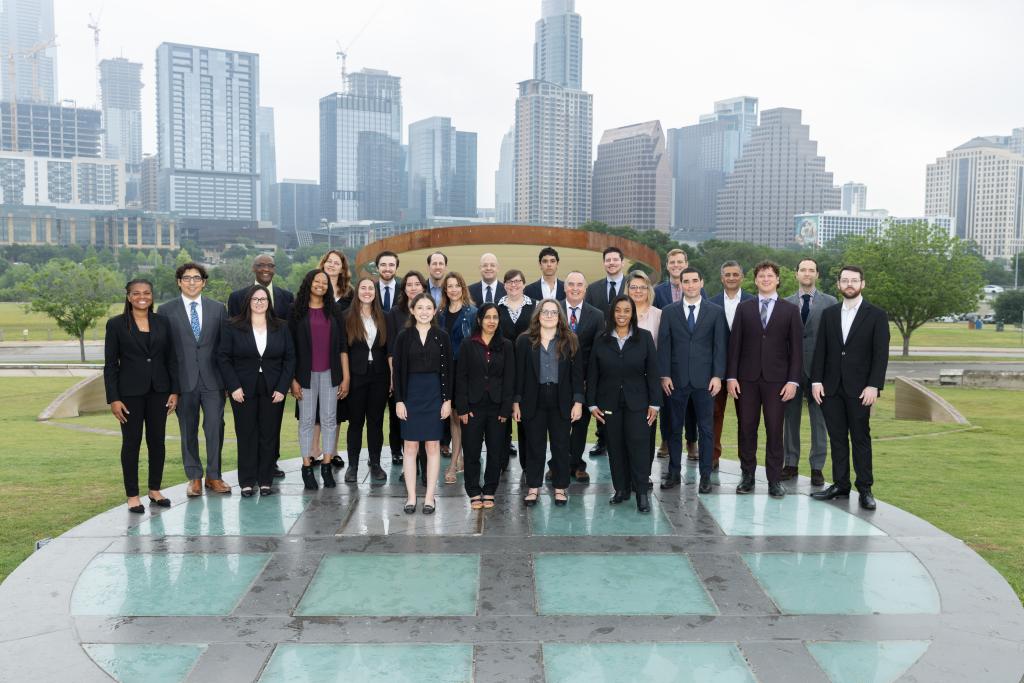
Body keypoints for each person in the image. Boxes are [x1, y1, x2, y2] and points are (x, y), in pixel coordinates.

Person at [811, 266, 890, 510]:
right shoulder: (830, 314)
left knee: (860, 438)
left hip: (860, 390)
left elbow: (880, 354)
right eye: (845, 280)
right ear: (838, 284)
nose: (849, 284)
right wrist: (816, 381)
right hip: (831, 388)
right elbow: (821, 350)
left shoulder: (876, 315)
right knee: (836, 438)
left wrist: (874, 385)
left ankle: (865, 488)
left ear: (862, 284)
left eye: (854, 280)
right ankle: (840, 485)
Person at [726, 260, 802, 498]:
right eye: (761, 276)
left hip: (777, 382)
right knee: (746, 428)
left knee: (774, 430)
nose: (766, 279)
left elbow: (797, 351)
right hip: (746, 380)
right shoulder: (744, 308)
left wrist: (793, 381)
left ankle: (774, 480)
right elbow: (734, 345)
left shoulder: (790, 310)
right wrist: (731, 376)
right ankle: (747, 475)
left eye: (770, 276)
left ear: (777, 279)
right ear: (756, 280)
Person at [104, 278, 179, 513]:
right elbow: (110, 365)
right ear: (128, 297)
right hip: (129, 395)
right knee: (131, 443)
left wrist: (174, 391)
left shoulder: (163, 322)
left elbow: (171, 360)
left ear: (152, 296)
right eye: (136, 293)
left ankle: (154, 490)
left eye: (146, 292)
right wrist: (114, 398)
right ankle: (132, 495)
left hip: (159, 392)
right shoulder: (116, 325)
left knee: (157, 442)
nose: (142, 297)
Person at [158, 263, 230, 497]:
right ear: (178, 282)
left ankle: (214, 476)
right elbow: (164, 351)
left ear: (204, 282)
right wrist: (170, 387)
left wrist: (228, 382)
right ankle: (194, 478)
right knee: (188, 429)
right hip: (183, 382)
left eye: (196, 278)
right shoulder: (166, 310)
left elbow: (224, 347)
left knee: (214, 427)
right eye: (186, 278)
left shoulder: (218, 308)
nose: (191, 282)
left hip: (213, 381)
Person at [217, 284, 295, 497]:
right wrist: (233, 386)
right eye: (255, 299)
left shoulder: (281, 326)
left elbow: (290, 358)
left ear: (269, 303)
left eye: (263, 299)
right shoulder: (233, 326)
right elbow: (223, 358)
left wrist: (282, 387)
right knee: (246, 435)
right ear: (248, 302)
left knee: (269, 435)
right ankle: (247, 482)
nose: (260, 303)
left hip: (273, 389)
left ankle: (266, 480)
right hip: (242, 389)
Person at [588, 295, 661, 512]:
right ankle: (620, 489)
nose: (621, 314)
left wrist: (655, 404)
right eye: (618, 310)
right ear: (612, 313)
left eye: (626, 311)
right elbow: (593, 374)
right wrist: (592, 404)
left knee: (638, 447)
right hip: (608, 403)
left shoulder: (645, 338)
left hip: (638, 403)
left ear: (632, 314)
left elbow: (653, 373)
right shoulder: (601, 339)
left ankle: (641, 493)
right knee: (615, 447)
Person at [658, 268, 727, 494]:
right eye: (685, 281)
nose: (690, 285)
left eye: (694, 281)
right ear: (680, 285)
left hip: (705, 381)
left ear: (702, 282)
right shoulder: (668, 312)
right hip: (676, 381)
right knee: (674, 429)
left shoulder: (715, 312)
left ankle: (705, 476)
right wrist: (665, 374)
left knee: (706, 430)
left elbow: (720, 347)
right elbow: (665, 346)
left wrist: (717, 376)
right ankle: (674, 473)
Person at [513, 299, 583, 507]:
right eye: (545, 312)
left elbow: (578, 376)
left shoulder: (570, 340)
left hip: (561, 399)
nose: (549, 316)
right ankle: (533, 488)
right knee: (535, 445)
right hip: (533, 399)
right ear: (538, 315)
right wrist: (516, 402)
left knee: (561, 446)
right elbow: (519, 375)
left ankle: (560, 488)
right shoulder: (524, 341)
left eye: (554, 312)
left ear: (560, 316)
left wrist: (578, 401)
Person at [393, 293, 453, 515]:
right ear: (412, 310)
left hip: (435, 394)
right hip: (410, 395)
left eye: (429, 307)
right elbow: (397, 371)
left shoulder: (442, 336)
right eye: (420, 307)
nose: (424, 311)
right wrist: (399, 400)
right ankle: (410, 497)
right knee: (410, 446)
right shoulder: (403, 336)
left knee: (433, 446)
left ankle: (429, 497)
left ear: (434, 310)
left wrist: (447, 400)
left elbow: (448, 371)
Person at [289, 269, 348, 491]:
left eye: (324, 282)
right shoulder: (296, 311)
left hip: (330, 374)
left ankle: (326, 465)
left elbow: (343, 346)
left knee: (329, 419)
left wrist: (346, 376)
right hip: (304, 375)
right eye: (317, 281)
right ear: (309, 283)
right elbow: (290, 348)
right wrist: (292, 379)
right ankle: (306, 467)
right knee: (306, 421)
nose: (321, 285)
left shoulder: (334, 312)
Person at [782, 258, 837, 486]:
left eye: (811, 270)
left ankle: (817, 467)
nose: (807, 274)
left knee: (819, 421)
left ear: (817, 275)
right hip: (792, 371)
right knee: (790, 419)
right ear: (796, 274)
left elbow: (834, 339)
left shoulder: (831, 302)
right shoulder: (785, 303)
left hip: (819, 371)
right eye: (803, 270)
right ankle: (791, 463)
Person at [454, 304, 514, 509]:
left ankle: (489, 489)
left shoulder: (506, 345)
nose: (491, 321)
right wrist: (462, 407)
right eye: (487, 317)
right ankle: (472, 490)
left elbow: (509, 379)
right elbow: (460, 378)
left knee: (495, 451)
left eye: (495, 317)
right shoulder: (467, 344)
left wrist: (506, 408)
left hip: (497, 408)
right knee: (471, 451)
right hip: (472, 407)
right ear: (479, 320)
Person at [652, 249, 703, 460]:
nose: (676, 264)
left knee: (691, 405)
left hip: (691, 357)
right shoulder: (658, 291)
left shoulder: (697, 289)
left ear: (686, 263)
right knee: (667, 403)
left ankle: (692, 442)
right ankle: (665, 440)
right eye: (672, 262)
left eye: (680, 261)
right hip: (667, 356)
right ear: (667, 265)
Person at [342, 277, 390, 483]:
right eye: (363, 288)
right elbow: (342, 350)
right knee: (355, 422)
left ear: (375, 292)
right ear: (357, 291)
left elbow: (389, 349)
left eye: (371, 288)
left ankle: (376, 463)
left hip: (379, 375)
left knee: (376, 422)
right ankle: (352, 466)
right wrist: (345, 377)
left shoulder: (384, 317)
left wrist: (392, 379)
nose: (367, 291)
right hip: (355, 375)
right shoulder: (346, 317)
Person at [710, 261, 754, 472]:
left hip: (745, 370)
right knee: (714, 414)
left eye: (735, 274)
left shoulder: (753, 302)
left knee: (745, 417)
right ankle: (712, 456)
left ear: (742, 277)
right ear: (721, 278)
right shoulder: (711, 303)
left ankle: (745, 461)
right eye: (727, 274)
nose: (731, 277)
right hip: (717, 370)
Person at [561, 271, 603, 482]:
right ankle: (557, 465)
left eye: (579, 285)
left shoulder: (597, 315)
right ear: (564, 287)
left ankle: (576, 464)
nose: (575, 288)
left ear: (585, 289)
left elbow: (597, 352)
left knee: (580, 425)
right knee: (559, 425)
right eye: (571, 284)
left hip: (584, 381)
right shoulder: (553, 310)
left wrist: (590, 380)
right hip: (557, 380)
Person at [584, 246, 626, 456]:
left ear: (622, 262)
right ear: (603, 263)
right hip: (602, 349)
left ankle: (622, 438)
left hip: (627, 348)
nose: (611, 263)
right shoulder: (593, 289)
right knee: (604, 394)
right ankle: (603, 439)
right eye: (607, 260)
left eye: (615, 259)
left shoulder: (631, 286)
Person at [386, 270, 430, 470]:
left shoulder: (428, 310)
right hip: (402, 375)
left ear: (423, 287)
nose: (413, 288)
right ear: (404, 289)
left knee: (424, 423)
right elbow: (391, 350)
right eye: (409, 285)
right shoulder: (395, 313)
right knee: (403, 419)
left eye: (417, 284)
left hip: (426, 378)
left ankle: (423, 463)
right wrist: (394, 378)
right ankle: (406, 461)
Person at [313, 249, 353, 465]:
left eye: (337, 262)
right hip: (315, 355)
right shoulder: (315, 289)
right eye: (329, 261)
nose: (332, 265)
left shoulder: (349, 294)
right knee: (316, 406)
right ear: (323, 263)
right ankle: (314, 449)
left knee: (336, 406)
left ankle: (333, 450)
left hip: (340, 355)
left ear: (342, 267)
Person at [437, 272, 477, 484]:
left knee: (463, 416)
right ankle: (457, 457)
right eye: (449, 286)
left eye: (456, 285)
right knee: (453, 416)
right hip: (446, 370)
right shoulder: (440, 313)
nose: (453, 289)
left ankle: (455, 464)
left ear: (463, 288)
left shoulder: (472, 313)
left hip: (465, 371)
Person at [497, 269, 535, 467]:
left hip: (527, 370)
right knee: (502, 417)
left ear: (524, 284)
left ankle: (528, 464)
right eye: (510, 282)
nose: (514, 285)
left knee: (525, 418)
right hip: (501, 370)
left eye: (517, 281)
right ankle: (501, 462)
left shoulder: (535, 306)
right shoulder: (497, 308)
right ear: (504, 285)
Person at [628, 270, 662, 471]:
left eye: (642, 287)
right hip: (623, 382)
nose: (638, 291)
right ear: (627, 290)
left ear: (649, 290)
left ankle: (644, 472)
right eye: (634, 287)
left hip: (648, 382)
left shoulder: (659, 315)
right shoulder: (619, 313)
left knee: (647, 430)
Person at [227, 253, 294, 320]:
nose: (266, 269)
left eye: (270, 266)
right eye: (261, 265)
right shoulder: (236, 298)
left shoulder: (287, 297)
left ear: (274, 269)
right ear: (253, 268)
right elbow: (232, 327)